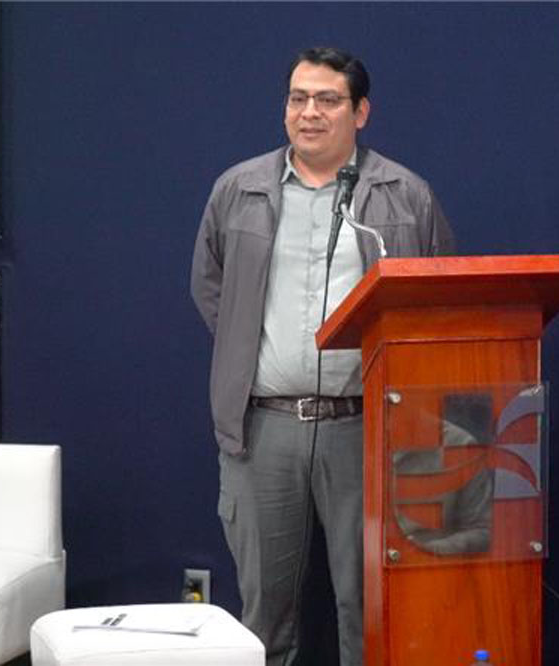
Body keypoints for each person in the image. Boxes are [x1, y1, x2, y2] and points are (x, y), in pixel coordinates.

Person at [190, 47, 455, 666]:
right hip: (264, 428)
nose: (308, 112)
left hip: (367, 429)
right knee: (264, 616)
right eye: (297, 98)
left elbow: (437, 296)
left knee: (371, 610)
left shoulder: (405, 195)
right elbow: (210, 286)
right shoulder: (239, 190)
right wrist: (251, 352)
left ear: (360, 113)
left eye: (327, 100)